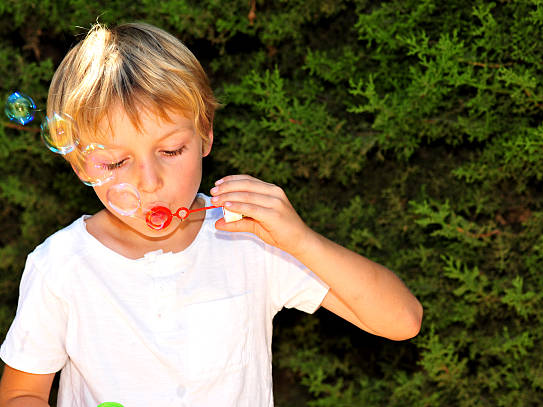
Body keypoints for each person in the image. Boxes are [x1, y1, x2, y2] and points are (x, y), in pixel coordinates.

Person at [0, 22, 422, 407]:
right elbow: (21, 393)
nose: (150, 182)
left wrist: (300, 240)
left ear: (205, 134)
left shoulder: (248, 238)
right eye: (114, 163)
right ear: (80, 166)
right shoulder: (62, 266)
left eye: (170, 151)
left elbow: (402, 320)